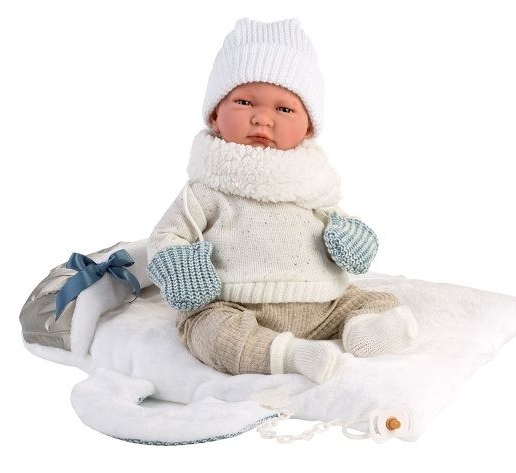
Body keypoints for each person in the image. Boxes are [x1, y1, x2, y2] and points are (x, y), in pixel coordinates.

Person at [146, 18, 418, 384]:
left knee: (365, 300)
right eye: (244, 102)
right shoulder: (207, 189)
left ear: (308, 127)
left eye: (284, 109)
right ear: (214, 116)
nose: (262, 118)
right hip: (235, 304)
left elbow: (338, 223)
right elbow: (167, 235)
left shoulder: (312, 183)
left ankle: (366, 329)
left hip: (323, 304)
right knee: (209, 331)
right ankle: (290, 355)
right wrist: (180, 267)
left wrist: (352, 239)